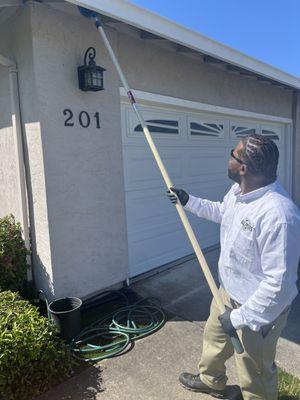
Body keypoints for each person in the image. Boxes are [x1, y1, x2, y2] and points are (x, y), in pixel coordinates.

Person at [167, 134, 300, 400]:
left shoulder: (278, 215)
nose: (228, 158)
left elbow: (280, 285)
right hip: (226, 293)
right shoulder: (239, 192)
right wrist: (188, 201)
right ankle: (211, 380)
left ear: (243, 168)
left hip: (259, 310)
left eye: (232, 153)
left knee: (255, 370)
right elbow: (222, 212)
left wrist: (239, 317)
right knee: (214, 341)